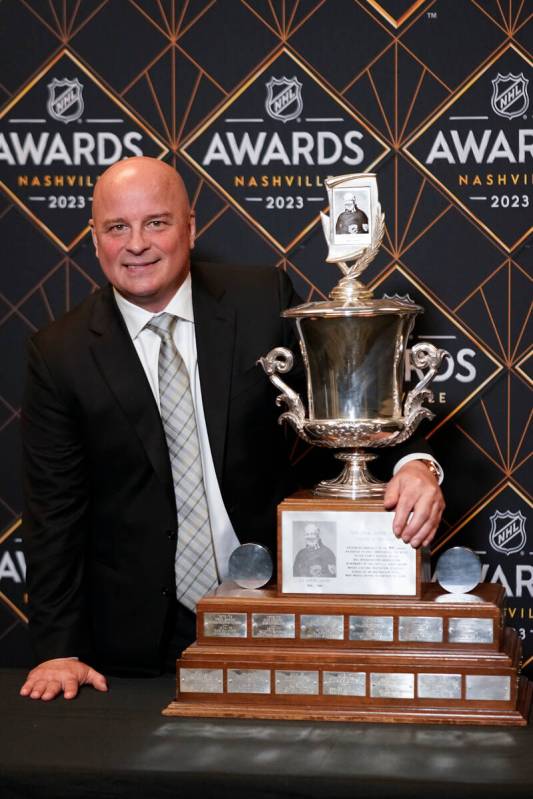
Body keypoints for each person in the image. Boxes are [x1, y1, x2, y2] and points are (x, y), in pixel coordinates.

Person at [19, 157, 445, 701]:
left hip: (277, 602)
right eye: (116, 227)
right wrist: (58, 650)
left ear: (190, 227)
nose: (136, 244)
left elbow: (346, 392)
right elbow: (54, 515)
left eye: (156, 222)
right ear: (94, 238)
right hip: (133, 641)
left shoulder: (261, 300)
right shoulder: (60, 353)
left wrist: (415, 466)